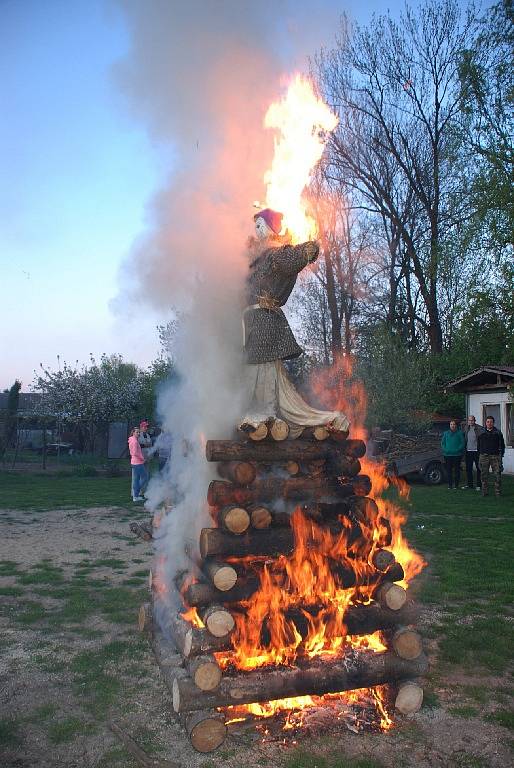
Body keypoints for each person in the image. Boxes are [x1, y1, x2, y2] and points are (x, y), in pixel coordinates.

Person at [241, 208, 349, 437]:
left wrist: (308, 249)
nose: (256, 230)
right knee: (253, 367)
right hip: (250, 321)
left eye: (261, 225)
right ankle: (255, 411)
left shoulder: (273, 255)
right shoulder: (255, 261)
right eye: (256, 225)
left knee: (264, 368)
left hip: (264, 320)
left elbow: (291, 258)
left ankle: (265, 413)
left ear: (271, 228)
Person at [477, 416, 505, 497]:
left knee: (497, 475)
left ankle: (498, 492)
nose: (489, 423)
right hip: (484, 456)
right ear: (485, 423)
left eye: (491, 422)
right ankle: (484, 492)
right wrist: (480, 454)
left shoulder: (498, 433)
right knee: (484, 475)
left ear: (493, 423)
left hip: (495, 457)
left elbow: (502, 445)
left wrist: (501, 455)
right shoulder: (481, 432)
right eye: (488, 422)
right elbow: (479, 445)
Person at [461, 415, 484, 491]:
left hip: (477, 452)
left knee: (479, 469)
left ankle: (479, 485)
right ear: (468, 421)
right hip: (468, 452)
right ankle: (469, 484)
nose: (471, 422)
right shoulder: (466, 428)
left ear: (475, 420)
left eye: (472, 420)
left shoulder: (479, 428)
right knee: (468, 469)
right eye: (469, 420)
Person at [441, 419, 465, 490]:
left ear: (456, 425)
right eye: (451, 424)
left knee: (457, 470)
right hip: (447, 455)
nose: (452, 425)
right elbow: (442, 443)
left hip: (457, 455)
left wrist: (457, 449)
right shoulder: (446, 433)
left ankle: (456, 485)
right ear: (449, 425)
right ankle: (450, 485)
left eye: (454, 424)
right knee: (449, 471)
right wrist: (445, 450)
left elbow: (462, 443)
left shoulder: (460, 433)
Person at [128, 426, 147, 502]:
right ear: (133, 433)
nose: (138, 433)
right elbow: (134, 453)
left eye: (139, 432)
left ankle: (135, 497)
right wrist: (142, 458)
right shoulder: (134, 441)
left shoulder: (133, 440)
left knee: (136, 479)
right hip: (137, 463)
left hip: (135, 462)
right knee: (145, 477)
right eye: (137, 432)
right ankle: (136, 493)